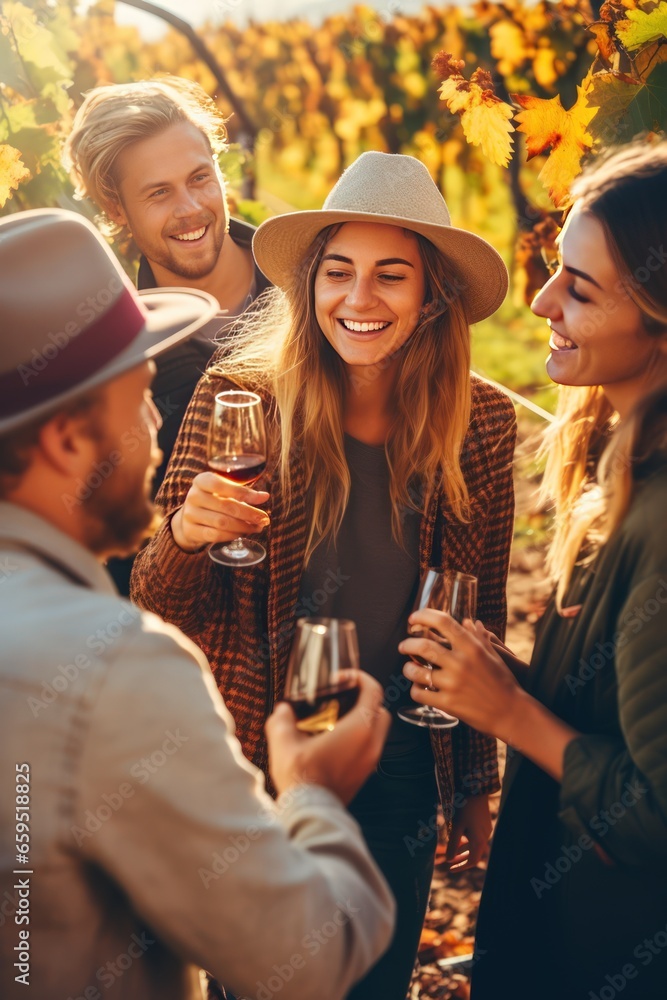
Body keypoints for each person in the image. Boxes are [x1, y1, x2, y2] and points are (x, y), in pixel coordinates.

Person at [131, 151, 518, 1000]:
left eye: (391, 276)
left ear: (431, 297)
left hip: (407, 751)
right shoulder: (239, 398)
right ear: (309, 286)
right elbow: (156, 605)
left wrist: (473, 782)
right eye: (337, 272)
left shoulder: (481, 421)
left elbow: (479, 613)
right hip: (264, 752)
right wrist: (186, 535)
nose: (359, 299)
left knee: (373, 982)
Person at [0, 207, 395, 1000]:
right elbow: (306, 957)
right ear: (70, 440)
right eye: (140, 399)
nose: (155, 427)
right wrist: (313, 794)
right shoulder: (116, 665)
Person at [399, 140, 667, 999]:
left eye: (579, 290)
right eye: (557, 268)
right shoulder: (619, 462)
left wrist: (508, 711)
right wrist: (514, 677)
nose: (543, 300)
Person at [64, 76, 271, 593]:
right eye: (159, 193)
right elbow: (118, 561)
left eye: (200, 178)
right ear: (117, 210)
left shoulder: (316, 287)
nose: (190, 208)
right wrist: (180, 535)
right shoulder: (115, 365)